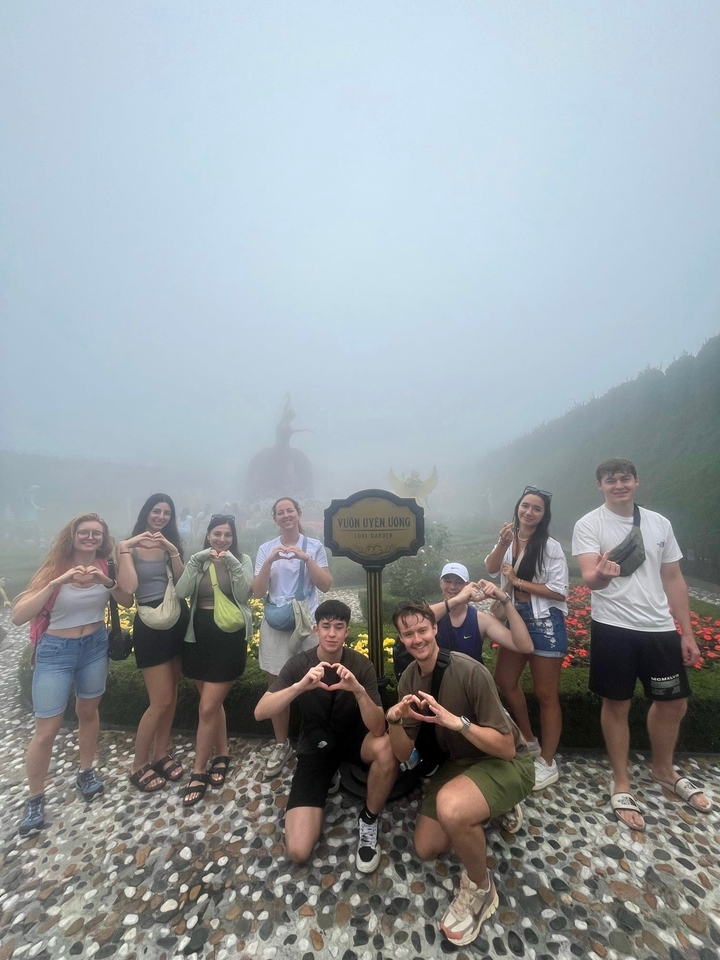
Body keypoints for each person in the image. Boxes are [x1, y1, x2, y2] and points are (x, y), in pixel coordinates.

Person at [572, 457, 712, 831]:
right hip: (613, 626)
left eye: (625, 478)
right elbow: (589, 577)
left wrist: (687, 632)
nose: (619, 485)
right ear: (600, 486)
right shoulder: (589, 524)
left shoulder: (659, 523)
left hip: (659, 627)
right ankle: (621, 781)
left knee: (674, 703)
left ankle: (663, 770)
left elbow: (674, 578)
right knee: (617, 703)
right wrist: (602, 576)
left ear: (636, 482)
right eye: (610, 480)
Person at [386, 601, 533, 947]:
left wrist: (458, 724)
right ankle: (483, 805)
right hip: (459, 764)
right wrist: (393, 721)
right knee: (426, 847)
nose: (417, 639)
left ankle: (481, 889)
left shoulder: (469, 672)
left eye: (423, 630)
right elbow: (402, 753)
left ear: (435, 629)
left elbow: (507, 748)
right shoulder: (409, 679)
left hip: (504, 761)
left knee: (452, 809)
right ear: (402, 639)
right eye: (408, 633)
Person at [12, 513, 133, 835]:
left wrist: (105, 581)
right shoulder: (55, 567)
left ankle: (86, 769)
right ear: (73, 535)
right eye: (84, 532)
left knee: (88, 712)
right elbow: (18, 616)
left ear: (103, 538)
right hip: (56, 651)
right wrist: (57, 582)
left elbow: (125, 599)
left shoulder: (105, 565)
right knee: (46, 729)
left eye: (97, 533)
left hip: (94, 645)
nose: (90, 537)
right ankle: (35, 796)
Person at [254, 600, 397, 872]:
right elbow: (261, 711)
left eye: (339, 627)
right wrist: (299, 687)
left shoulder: (361, 665)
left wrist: (358, 691)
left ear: (347, 632)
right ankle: (330, 775)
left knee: (387, 748)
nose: (332, 633)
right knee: (298, 850)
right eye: (326, 626)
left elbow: (379, 728)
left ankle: (369, 819)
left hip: (356, 739)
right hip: (316, 744)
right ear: (316, 629)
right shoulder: (300, 664)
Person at [485, 486, 569, 791]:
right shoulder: (509, 540)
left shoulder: (551, 547)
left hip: (544, 622)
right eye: (525, 506)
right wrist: (502, 543)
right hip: (516, 617)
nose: (529, 512)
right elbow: (491, 568)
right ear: (517, 508)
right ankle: (530, 739)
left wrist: (517, 581)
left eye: (536, 508)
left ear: (544, 515)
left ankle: (548, 761)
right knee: (504, 680)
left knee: (546, 694)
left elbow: (559, 591)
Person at [175, 514, 253, 807]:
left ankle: (198, 772)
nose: (222, 539)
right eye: (217, 534)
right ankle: (223, 754)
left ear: (233, 538)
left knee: (207, 707)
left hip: (228, 641)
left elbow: (245, 594)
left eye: (227, 535)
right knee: (212, 705)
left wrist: (231, 563)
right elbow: (181, 592)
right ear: (208, 535)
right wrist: (195, 562)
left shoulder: (242, 560)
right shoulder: (199, 562)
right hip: (198, 639)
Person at [253, 497, 332, 779]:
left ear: (299, 514)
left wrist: (306, 558)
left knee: (318, 682)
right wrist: (269, 561)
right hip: (276, 624)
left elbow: (325, 584)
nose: (286, 515)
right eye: (280, 512)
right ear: (275, 518)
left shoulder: (314, 546)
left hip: (307, 625)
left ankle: (318, 741)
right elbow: (257, 591)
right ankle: (281, 744)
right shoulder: (266, 549)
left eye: (290, 511)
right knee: (277, 684)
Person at [116, 494, 190, 792]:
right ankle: (138, 763)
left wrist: (173, 551)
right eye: (156, 511)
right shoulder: (127, 546)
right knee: (159, 700)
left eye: (166, 513)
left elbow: (184, 584)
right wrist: (126, 549)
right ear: (146, 512)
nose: (161, 517)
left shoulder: (171, 543)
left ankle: (160, 753)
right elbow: (129, 588)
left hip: (177, 619)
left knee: (171, 695)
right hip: (150, 624)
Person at [429, 562, 534, 663]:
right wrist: (457, 600)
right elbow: (420, 620)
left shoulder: (480, 620)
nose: (452, 587)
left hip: (470, 675)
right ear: (440, 583)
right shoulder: (431, 613)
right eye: (447, 581)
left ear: (467, 586)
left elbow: (525, 646)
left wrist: (504, 599)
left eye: (458, 582)